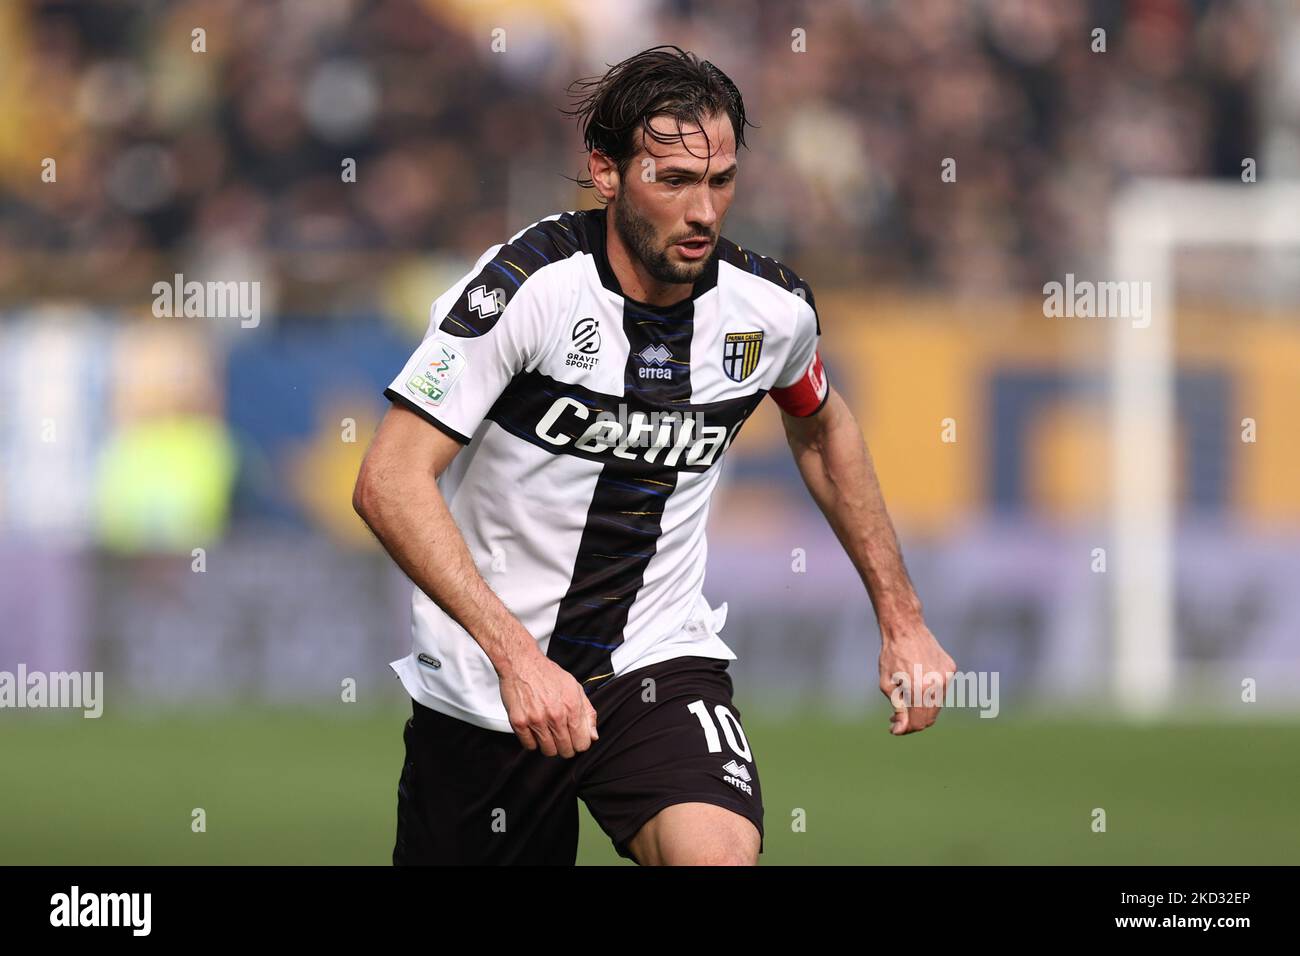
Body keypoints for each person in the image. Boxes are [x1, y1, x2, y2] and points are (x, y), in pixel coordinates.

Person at [353, 45, 955, 866]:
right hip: (488, 685)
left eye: (721, 181)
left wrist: (904, 621)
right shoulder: (527, 290)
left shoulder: (770, 312)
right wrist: (519, 661)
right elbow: (388, 480)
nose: (703, 211)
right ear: (606, 173)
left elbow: (823, 425)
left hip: (655, 662)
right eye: (673, 181)